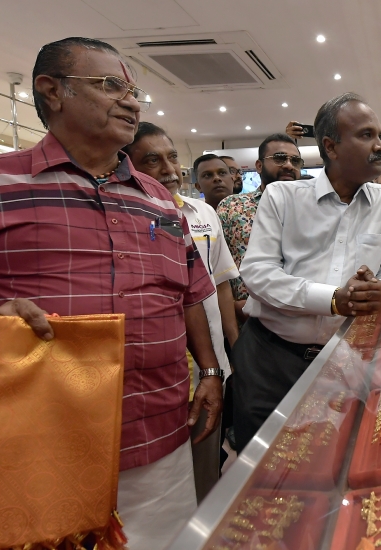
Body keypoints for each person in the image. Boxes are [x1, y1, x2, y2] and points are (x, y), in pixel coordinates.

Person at [0, 37, 224, 547]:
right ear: (52, 90)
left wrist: (213, 370)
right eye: (111, 85)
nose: (131, 101)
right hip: (39, 447)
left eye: (135, 91)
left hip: (160, 439)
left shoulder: (159, 199)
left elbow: (191, 292)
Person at [231, 93, 381, 450]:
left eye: (380, 135)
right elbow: (257, 272)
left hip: (348, 361)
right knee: (265, 471)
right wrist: (332, 300)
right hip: (272, 360)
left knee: (335, 461)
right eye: (366, 135)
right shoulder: (283, 197)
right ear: (331, 146)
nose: (380, 146)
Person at [124, 122, 239, 500]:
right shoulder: (124, 216)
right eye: (152, 161)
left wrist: (232, 348)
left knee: (206, 457)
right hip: (157, 365)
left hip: (210, 358)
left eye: (173, 157)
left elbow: (220, 283)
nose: (170, 170)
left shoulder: (204, 213)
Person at [216, 133, 302, 316]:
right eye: (279, 158)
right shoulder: (232, 206)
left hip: (299, 315)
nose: (288, 165)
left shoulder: (313, 209)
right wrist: (230, 306)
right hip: (243, 320)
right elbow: (215, 266)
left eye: (295, 161)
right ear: (259, 166)